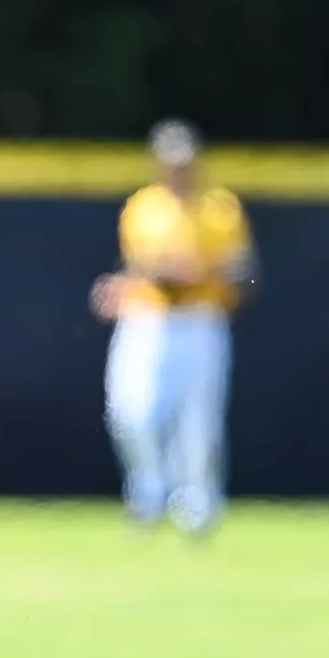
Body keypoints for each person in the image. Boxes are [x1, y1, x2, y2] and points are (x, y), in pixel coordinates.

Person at [91, 119, 257, 534]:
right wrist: (132, 283)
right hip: (149, 320)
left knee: (199, 424)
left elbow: (245, 272)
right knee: (130, 412)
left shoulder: (220, 208)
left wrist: (204, 272)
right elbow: (145, 267)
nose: (178, 169)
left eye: (185, 161)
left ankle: (198, 506)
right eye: (170, 161)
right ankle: (147, 494)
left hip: (202, 321)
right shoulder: (144, 207)